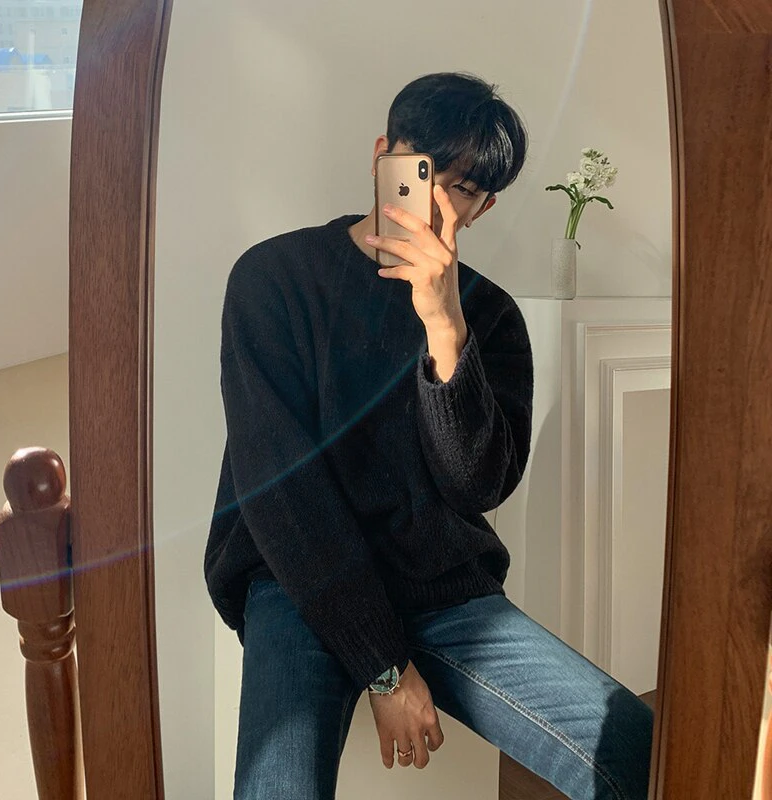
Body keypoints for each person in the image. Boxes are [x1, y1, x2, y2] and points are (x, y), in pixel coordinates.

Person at [204, 71, 654, 800]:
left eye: (464, 188)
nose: (440, 200)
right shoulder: (274, 277)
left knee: (638, 748)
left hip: (441, 587)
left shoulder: (491, 317)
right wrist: (385, 668)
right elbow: (281, 492)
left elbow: (478, 485)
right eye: (424, 172)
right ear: (383, 155)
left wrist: (445, 325)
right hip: (297, 582)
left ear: (484, 207)